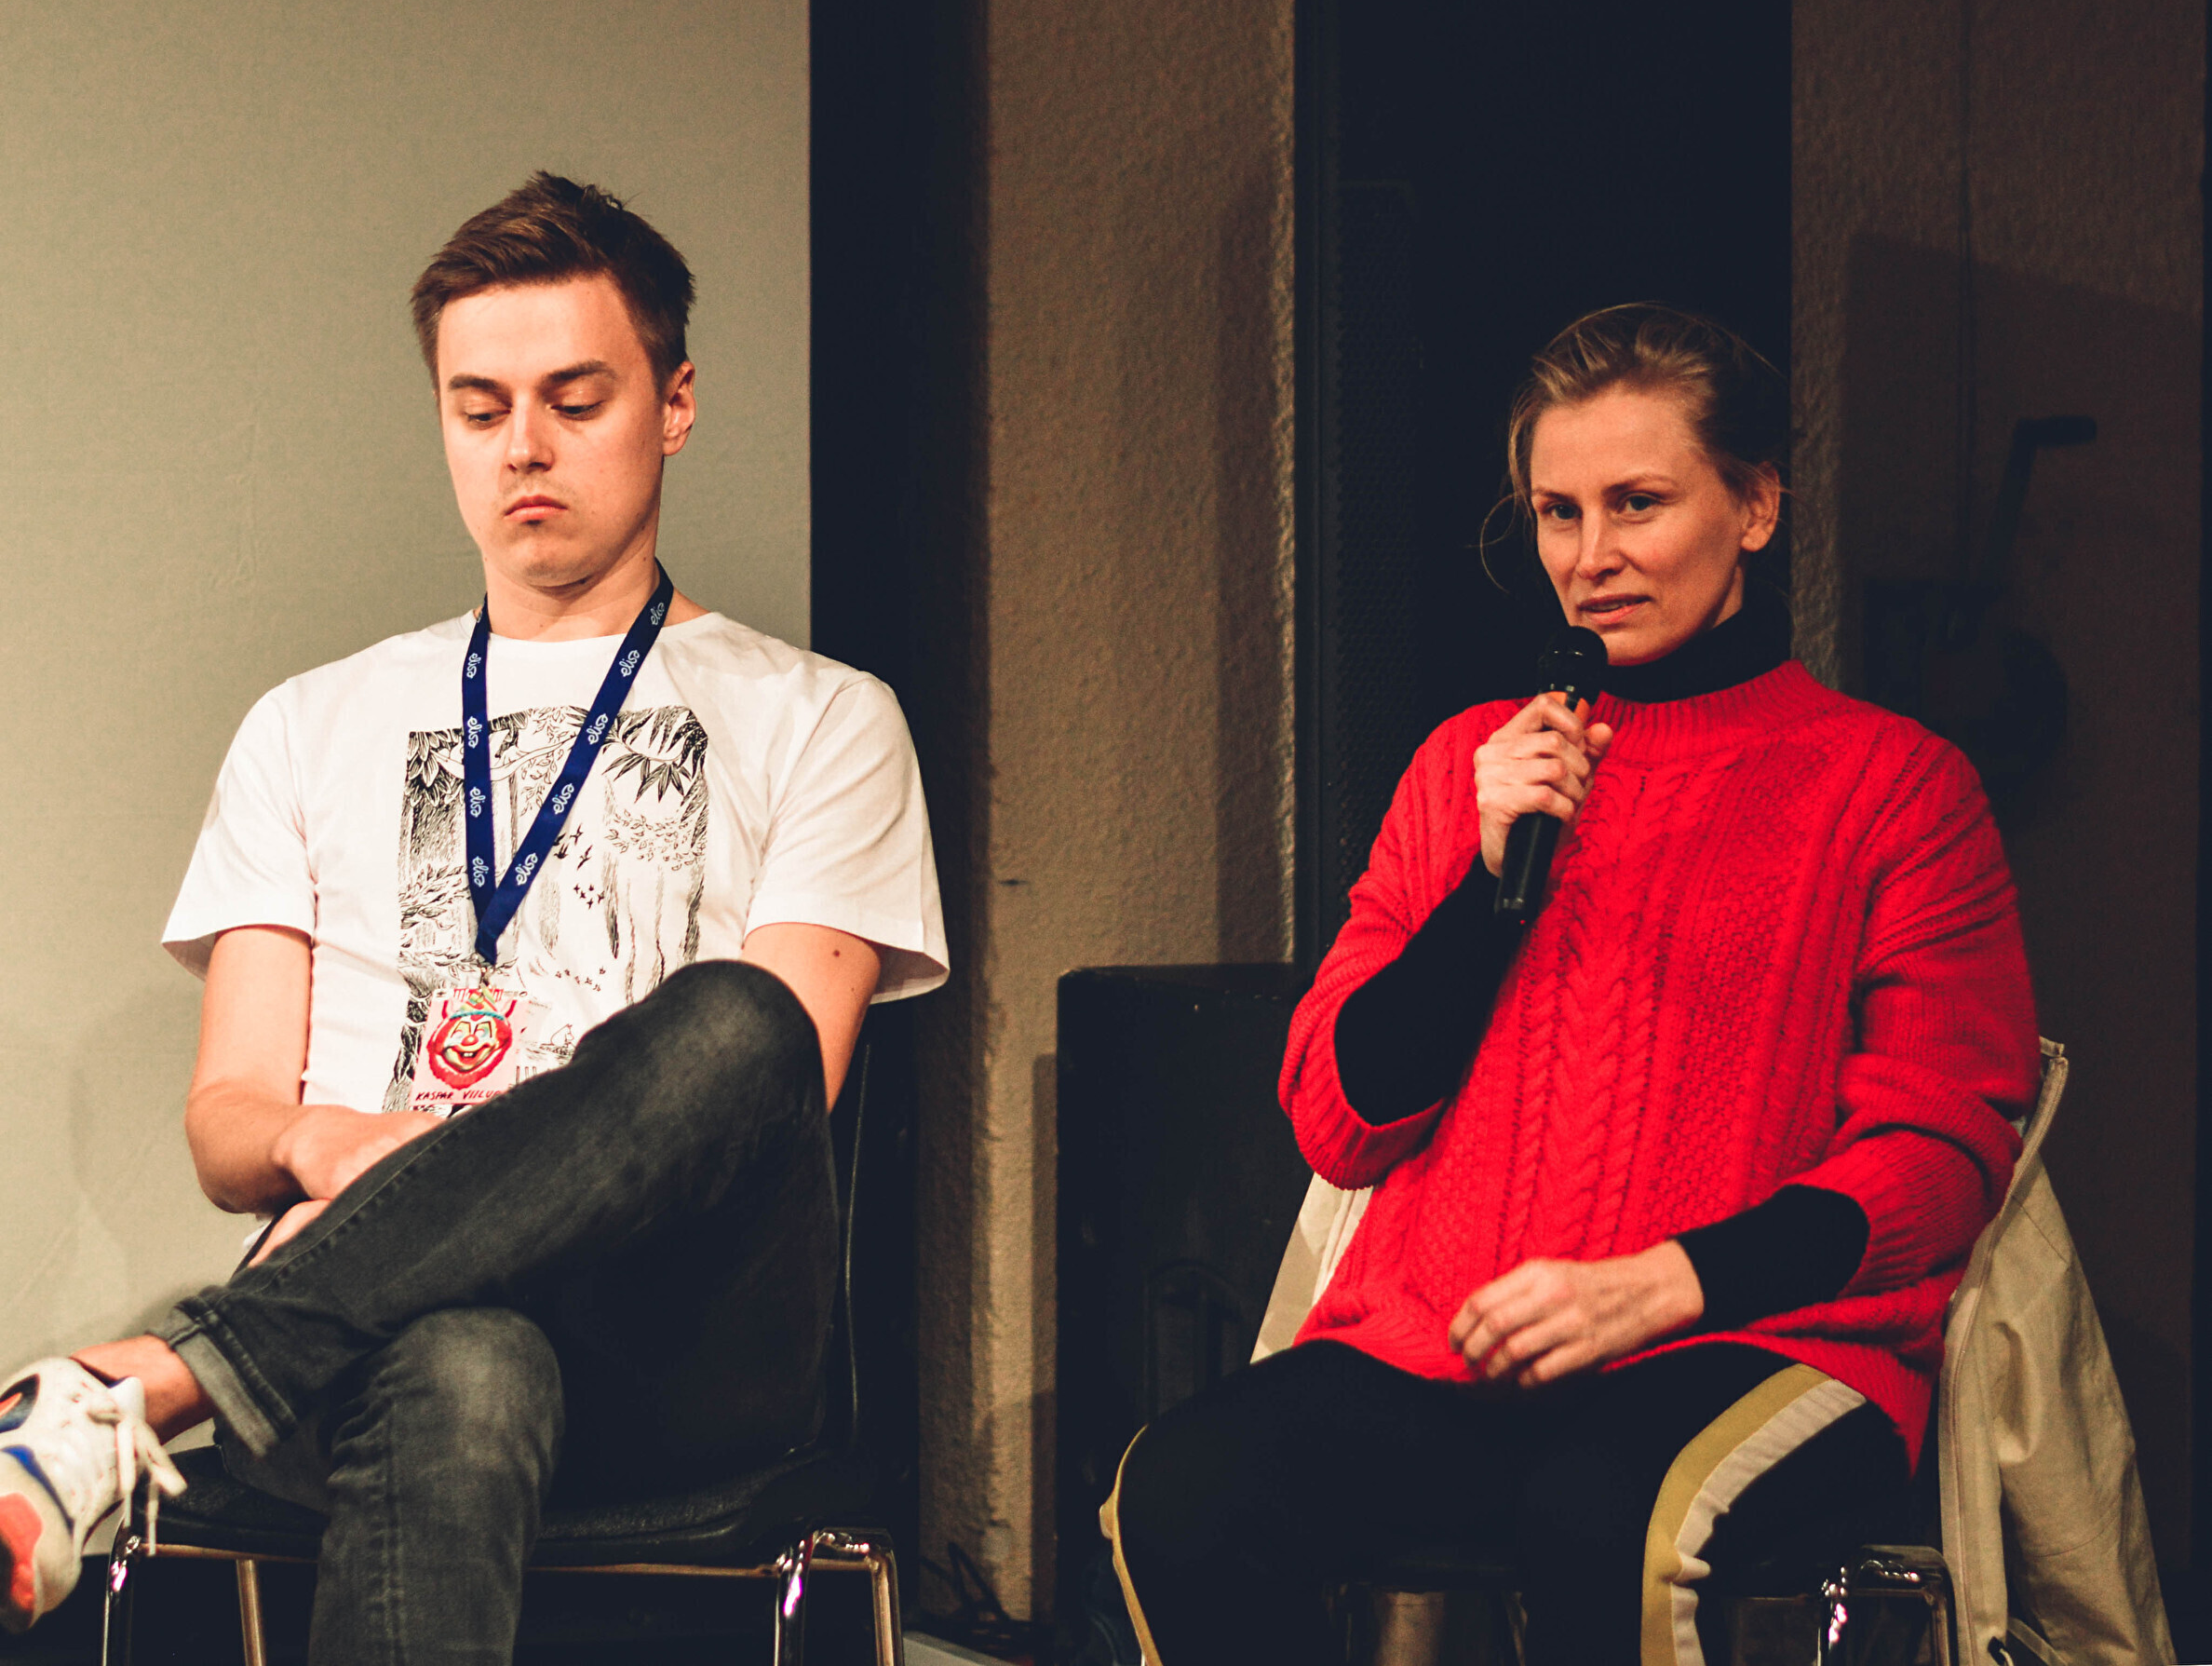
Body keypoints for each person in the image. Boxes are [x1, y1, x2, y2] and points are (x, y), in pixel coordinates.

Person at [0, 173, 947, 1659]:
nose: (524, 448)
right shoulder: (307, 724)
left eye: (575, 399)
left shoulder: (826, 718)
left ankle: (157, 1383)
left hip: (676, 1341)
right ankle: (201, 1373)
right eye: (480, 406)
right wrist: (327, 1143)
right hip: (377, 1348)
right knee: (466, 1362)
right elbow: (229, 1123)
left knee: (738, 1020)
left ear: (675, 403)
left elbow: (774, 1092)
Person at [1106, 305, 2040, 1664]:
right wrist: (1482, 890)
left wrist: (1667, 1283)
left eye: (1637, 504)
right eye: (1558, 513)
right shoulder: (1469, 768)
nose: (1590, 556)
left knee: (1611, 1518)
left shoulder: (1895, 786)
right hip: (1452, 1348)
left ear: (1755, 507)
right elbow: (1338, 1120)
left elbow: (1941, 1159)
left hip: (1753, 1340)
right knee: (1179, 1495)